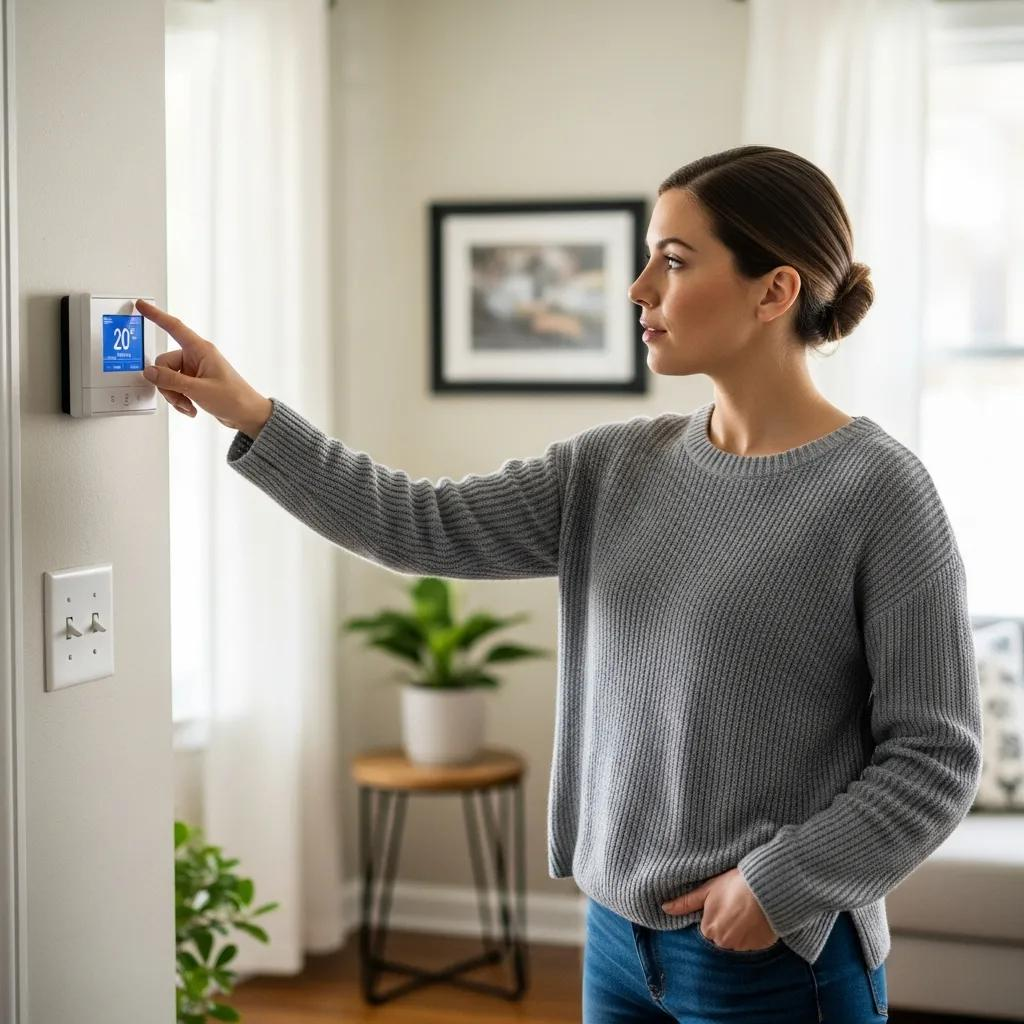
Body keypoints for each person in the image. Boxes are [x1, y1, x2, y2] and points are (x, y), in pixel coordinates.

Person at [138, 144, 982, 1023]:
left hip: (777, 953)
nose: (639, 287)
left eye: (676, 260)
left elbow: (936, 756)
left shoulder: (878, 492)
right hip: (616, 943)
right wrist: (253, 414)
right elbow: (414, 523)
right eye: (650, 254)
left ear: (775, 292)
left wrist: (779, 885)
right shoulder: (612, 468)